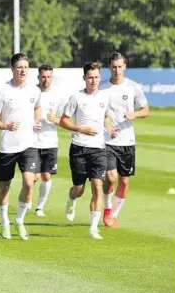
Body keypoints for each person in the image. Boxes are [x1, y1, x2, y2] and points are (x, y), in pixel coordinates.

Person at [0, 53, 42, 240]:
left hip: (29, 144)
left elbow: (37, 107)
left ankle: (19, 220)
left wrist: (37, 120)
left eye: (26, 67)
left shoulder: (34, 91)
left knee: (29, 182)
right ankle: (4, 222)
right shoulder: (2, 91)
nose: (23, 70)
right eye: (19, 67)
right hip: (7, 147)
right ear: (12, 69)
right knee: (4, 186)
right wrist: (5, 125)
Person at [60, 62, 116, 239]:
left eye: (97, 77)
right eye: (90, 77)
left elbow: (106, 116)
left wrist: (110, 128)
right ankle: (71, 200)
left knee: (98, 186)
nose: (93, 80)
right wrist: (80, 129)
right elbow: (63, 121)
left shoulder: (105, 97)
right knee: (79, 188)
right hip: (79, 147)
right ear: (84, 78)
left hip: (98, 148)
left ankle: (93, 228)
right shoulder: (76, 97)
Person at [99, 52, 149, 227]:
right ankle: (106, 209)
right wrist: (108, 127)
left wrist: (133, 113)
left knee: (124, 181)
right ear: (109, 67)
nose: (117, 70)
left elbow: (146, 110)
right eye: (114, 67)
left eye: (120, 67)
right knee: (111, 177)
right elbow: (101, 112)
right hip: (108, 140)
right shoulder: (103, 87)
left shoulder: (133, 87)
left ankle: (115, 214)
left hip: (127, 141)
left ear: (125, 67)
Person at [33, 65, 67, 217]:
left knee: (46, 176)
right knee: (32, 177)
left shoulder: (58, 95)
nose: (46, 80)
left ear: (52, 77)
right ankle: (26, 201)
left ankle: (40, 207)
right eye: (43, 77)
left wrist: (55, 120)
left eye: (49, 77)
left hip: (50, 142)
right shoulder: (31, 92)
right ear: (38, 77)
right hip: (32, 141)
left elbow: (65, 120)